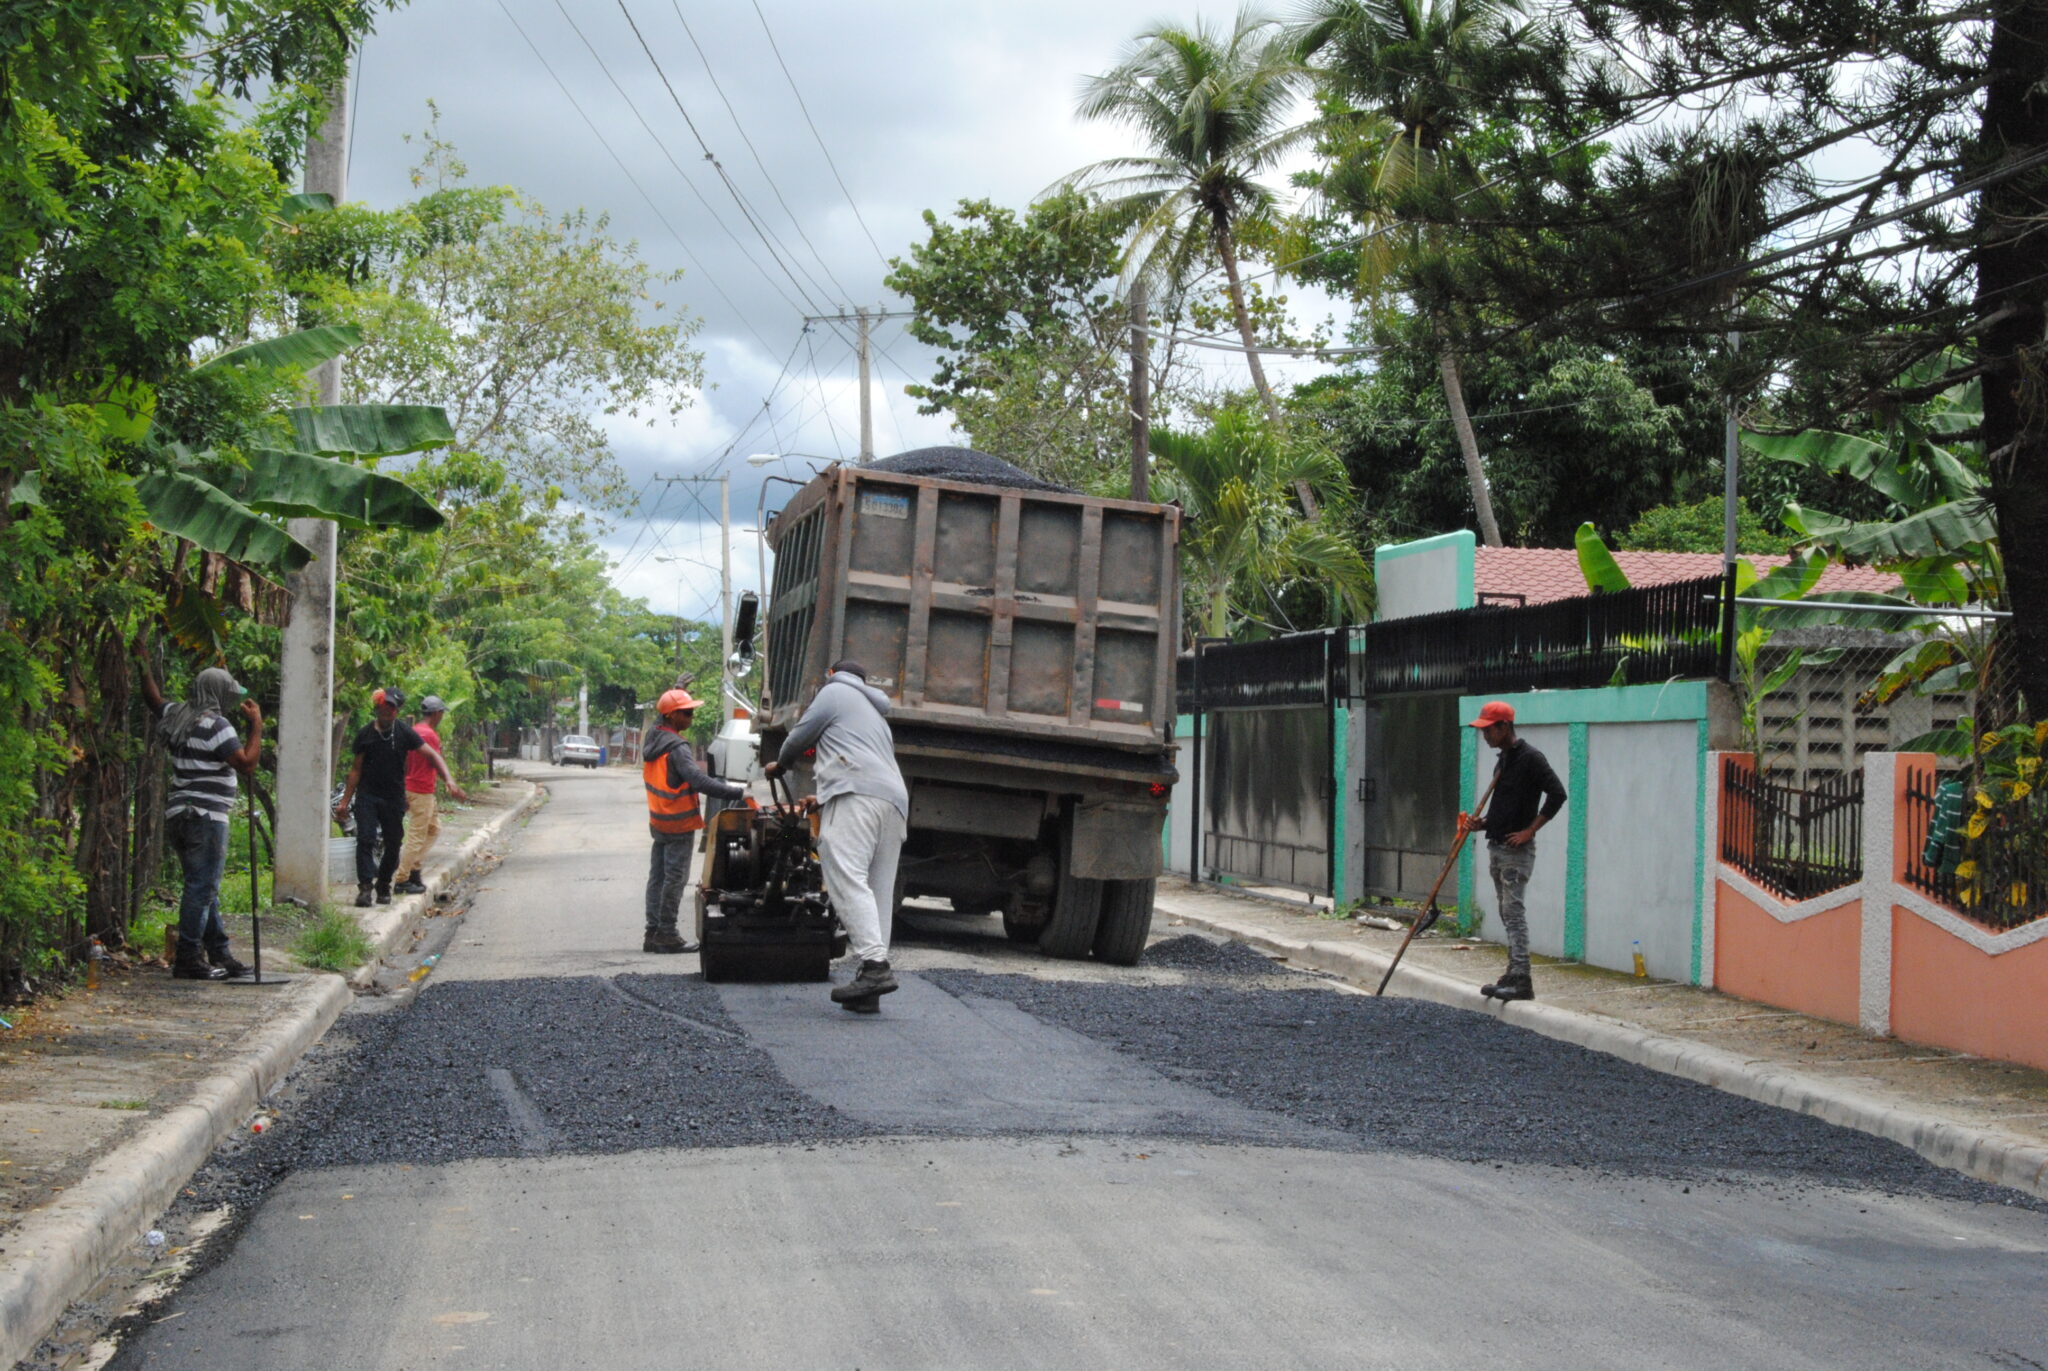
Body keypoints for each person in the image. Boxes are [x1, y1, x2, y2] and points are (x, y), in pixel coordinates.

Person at [763, 660, 908, 1008]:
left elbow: (799, 735)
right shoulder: (874, 712)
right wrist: (823, 795)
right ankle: (869, 989)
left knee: (844, 872)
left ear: (830, 674)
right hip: (893, 802)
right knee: (877, 889)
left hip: (858, 793)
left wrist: (779, 764)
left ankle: (875, 966)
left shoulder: (834, 692)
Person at [136, 657, 263, 981]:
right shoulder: (216, 725)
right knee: (200, 888)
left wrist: (143, 666)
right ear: (218, 693)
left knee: (204, 887)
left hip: (179, 813)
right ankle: (188, 957)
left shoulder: (178, 715)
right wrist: (256, 726)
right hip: (205, 816)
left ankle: (219, 952)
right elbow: (246, 764)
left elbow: (154, 700)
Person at [1458, 701, 1567, 1002]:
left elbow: (1558, 794)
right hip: (1497, 846)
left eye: (1489, 730)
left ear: (1504, 726)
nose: (1485, 736)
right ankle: (1512, 972)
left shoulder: (1531, 758)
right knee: (1506, 912)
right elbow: (1506, 808)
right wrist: (1482, 824)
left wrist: (1530, 831)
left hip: (1515, 852)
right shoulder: (1503, 761)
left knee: (1513, 913)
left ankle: (1523, 980)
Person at [333, 687, 467, 909]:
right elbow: (355, 770)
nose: (388, 712)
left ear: (397, 711)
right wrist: (345, 801)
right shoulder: (365, 734)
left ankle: (384, 884)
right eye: (384, 707)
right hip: (367, 795)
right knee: (365, 839)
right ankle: (365, 888)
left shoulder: (404, 732)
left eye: (392, 708)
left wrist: (449, 780)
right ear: (377, 708)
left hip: (393, 796)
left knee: (393, 843)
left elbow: (432, 755)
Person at [643, 687, 749, 953]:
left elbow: (658, 717)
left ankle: (652, 932)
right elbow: (700, 781)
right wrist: (739, 792)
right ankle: (667, 934)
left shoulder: (654, 738)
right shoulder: (677, 748)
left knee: (657, 877)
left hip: (658, 821)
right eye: (687, 713)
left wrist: (676, 688)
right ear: (672, 716)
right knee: (675, 879)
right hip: (678, 823)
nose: (691, 718)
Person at [393, 695, 456, 895]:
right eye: (442, 713)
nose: (442, 717)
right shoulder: (428, 735)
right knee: (417, 836)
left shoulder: (415, 730)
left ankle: (415, 870)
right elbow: (435, 760)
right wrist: (449, 780)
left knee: (434, 829)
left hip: (419, 788)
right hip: (421, 789)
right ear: (437, 713)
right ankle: (403, 878)